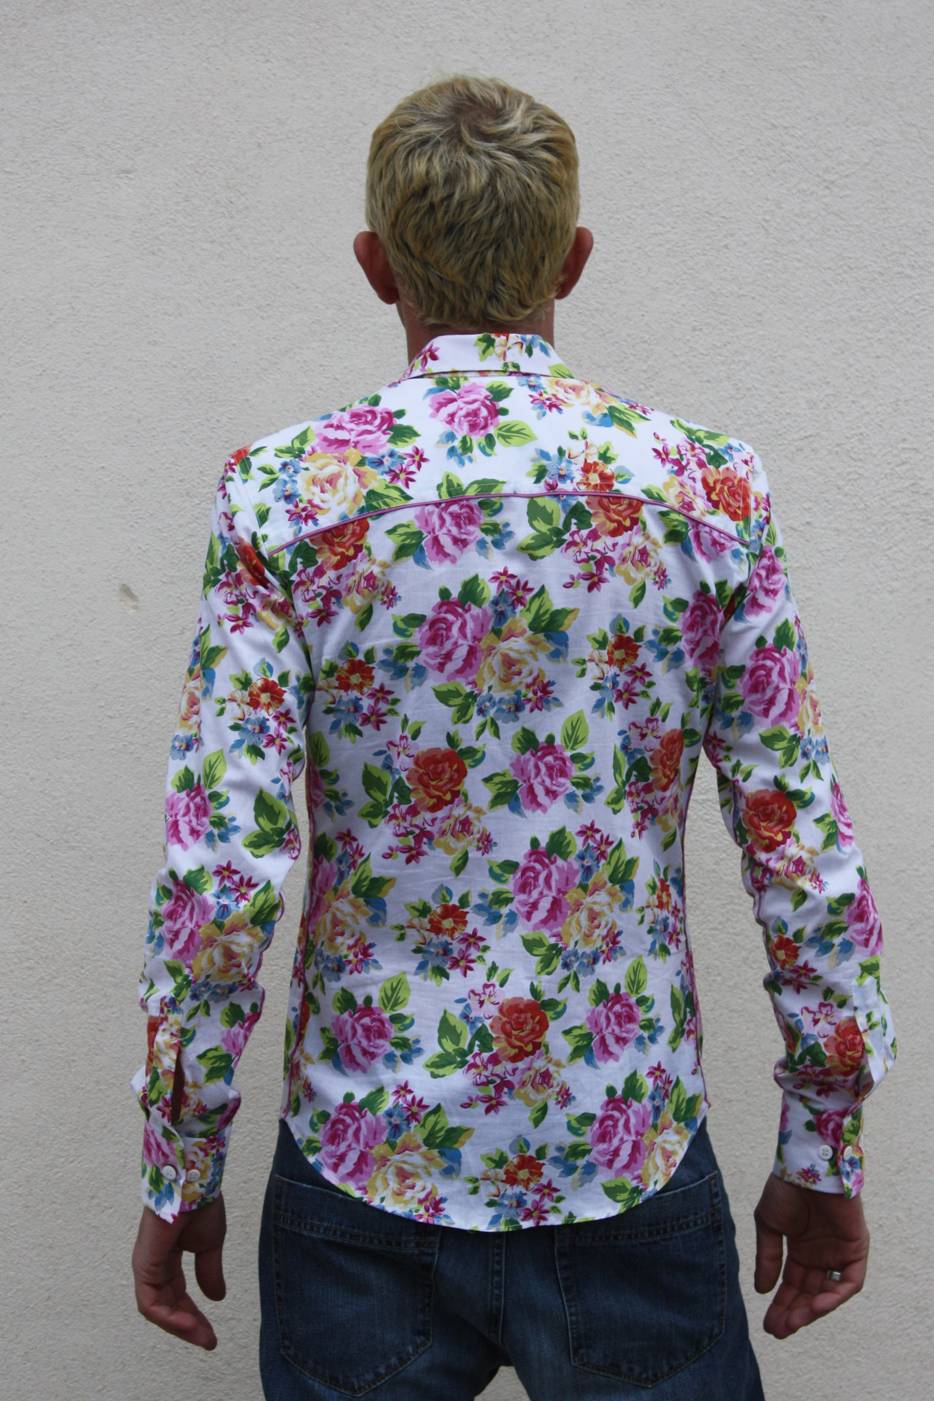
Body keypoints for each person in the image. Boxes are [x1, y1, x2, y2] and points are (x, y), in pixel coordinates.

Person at [130, 74, 896, 1400]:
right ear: (572, 260)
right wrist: (822, 1146)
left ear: (377, 266)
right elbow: (796, 838)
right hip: (624, 1151)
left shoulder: (285, 498)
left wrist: (179, 1158)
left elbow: (222, 873)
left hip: (362, 1167)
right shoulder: (705, 490)